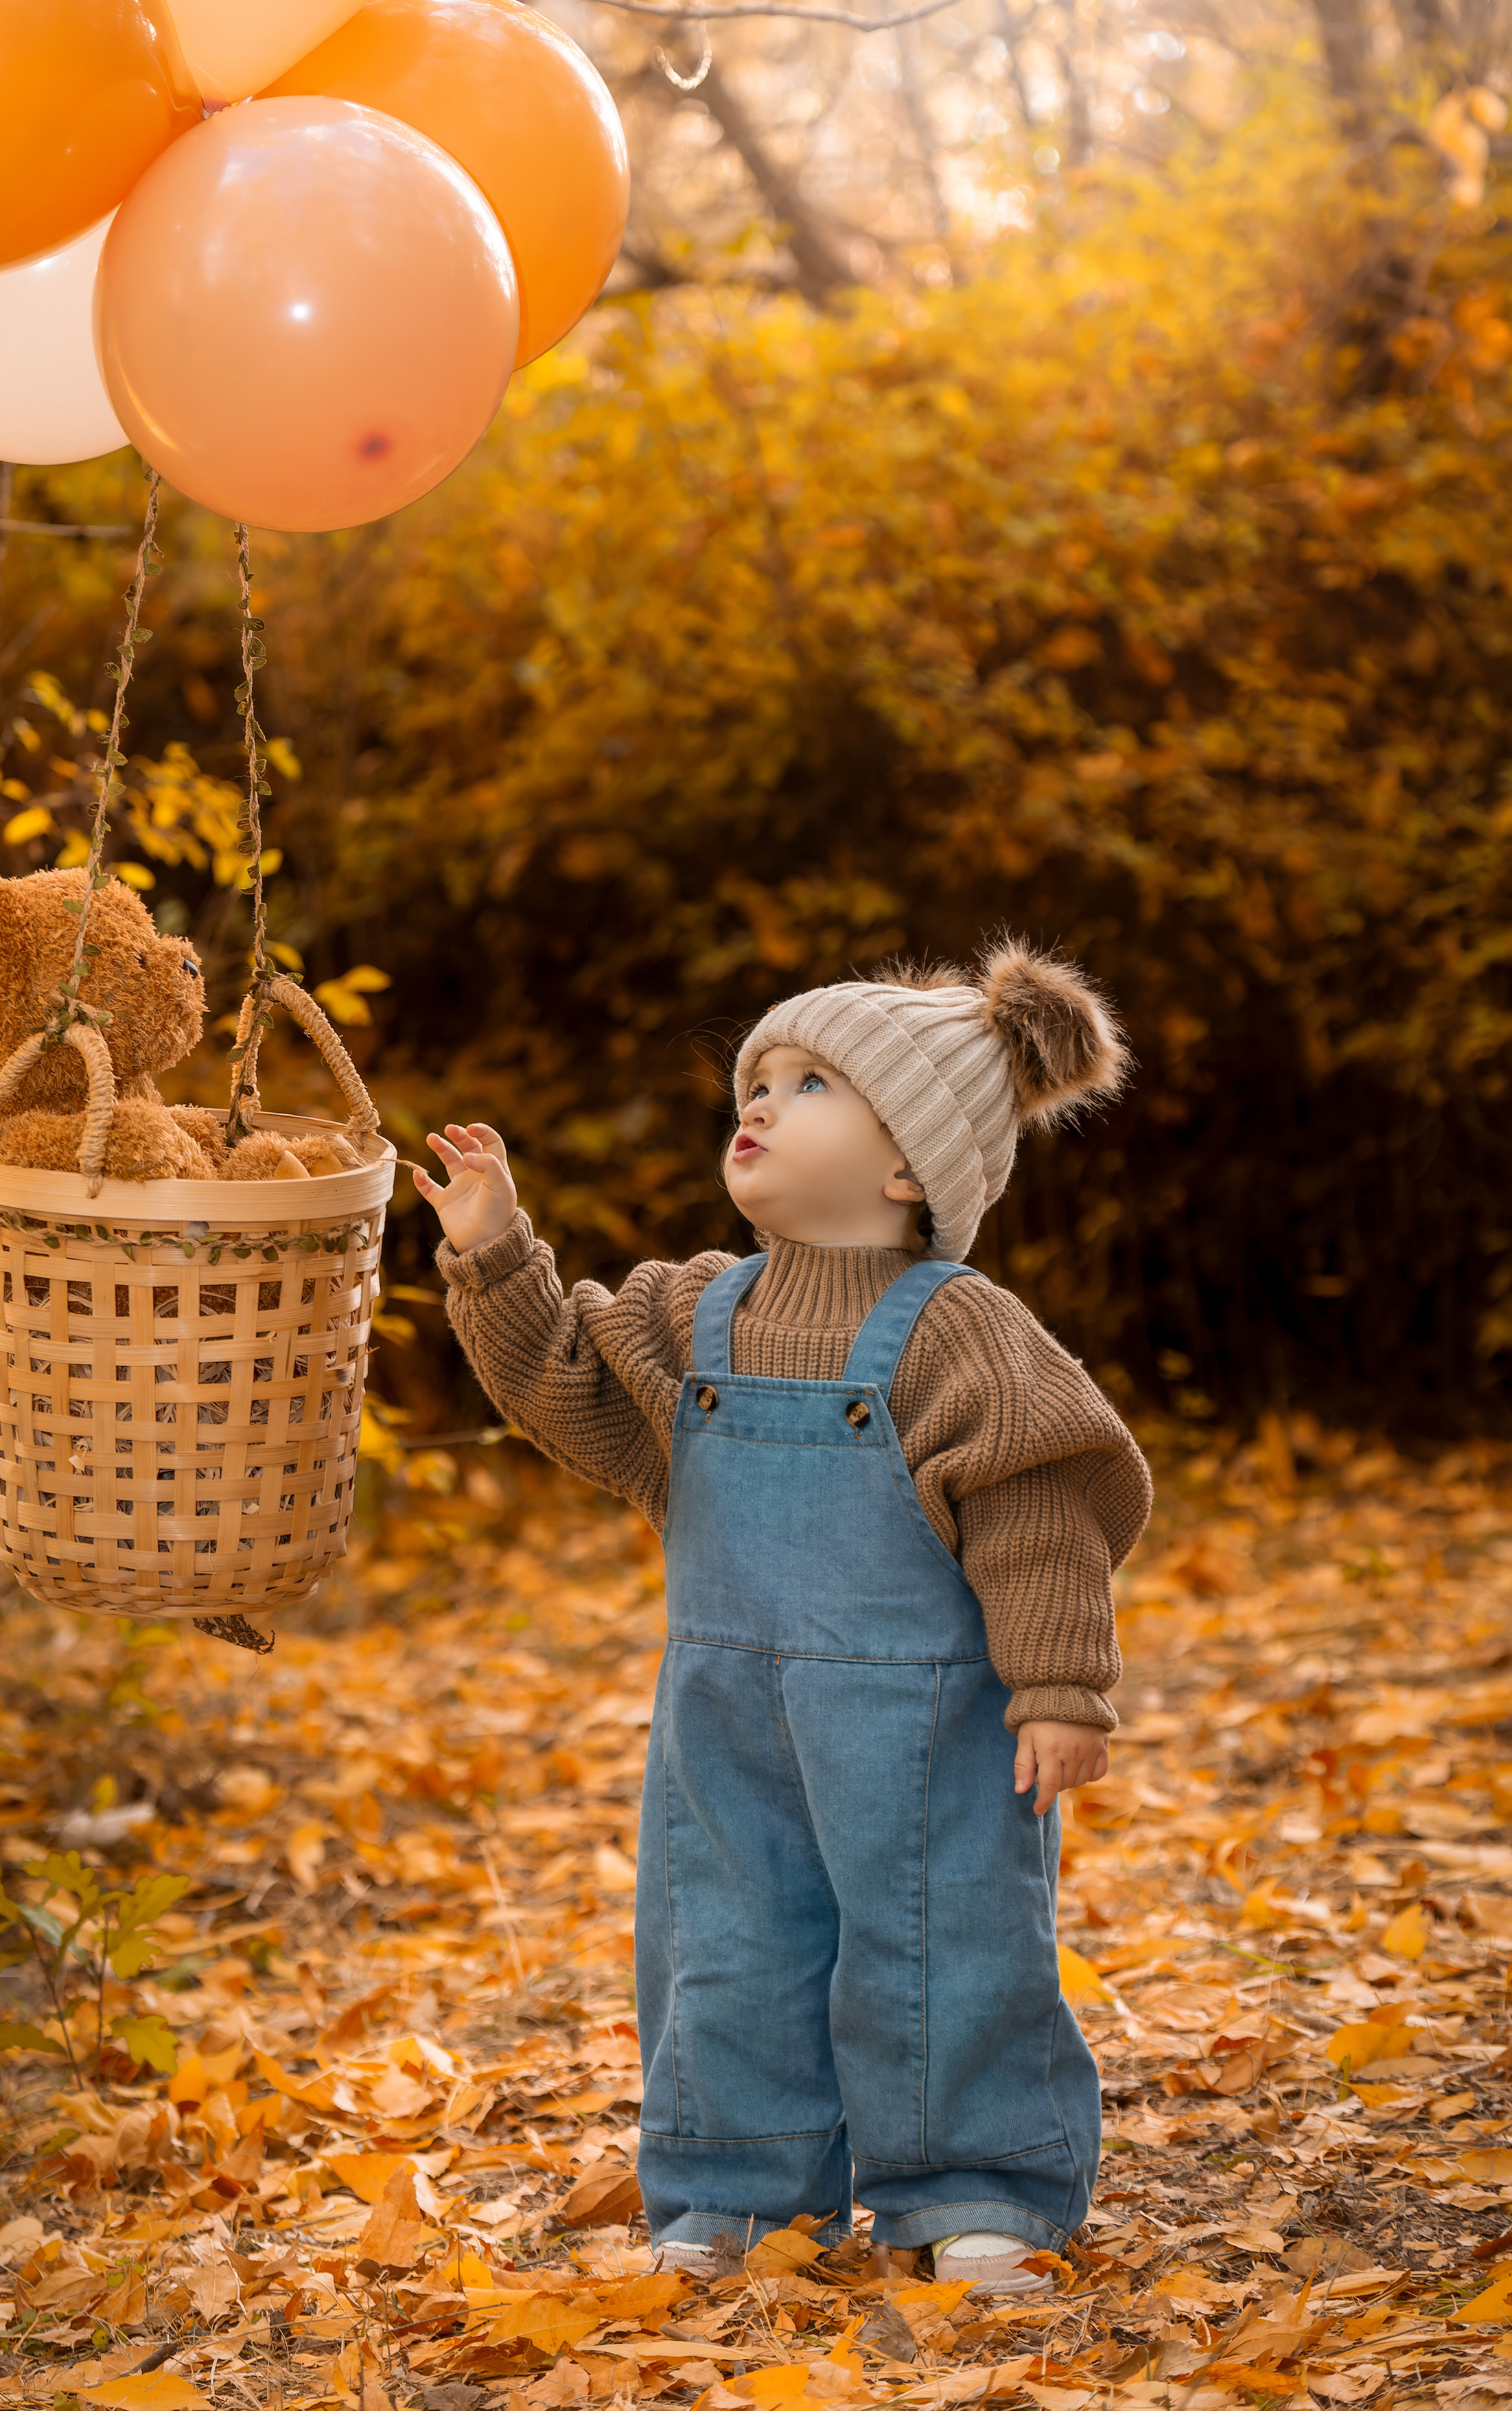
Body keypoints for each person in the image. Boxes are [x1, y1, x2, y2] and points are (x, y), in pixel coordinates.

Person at [414, 944, 1152, 2292]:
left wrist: (1055, 1687)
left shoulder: (959, 1332)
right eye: (755, 1078)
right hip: (727, 1716)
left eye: (809, 1082)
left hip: (923, 1721)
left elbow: (1037, 1503)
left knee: (940, 1946)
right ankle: (734, 2199)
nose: (756, 1101)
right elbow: (563, 1387)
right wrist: (496, 1253)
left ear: (908, 1169)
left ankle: (974, 2191)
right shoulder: (690, 1313)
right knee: (722, 1945)